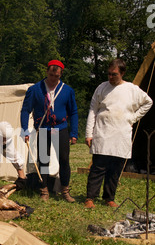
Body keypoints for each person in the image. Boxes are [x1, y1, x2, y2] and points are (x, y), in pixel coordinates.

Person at [85, 58, 153, 209]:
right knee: (98, 168)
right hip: (102, 133)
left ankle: (109, 198)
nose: (110, 77)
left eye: (114, 74)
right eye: (109, 74)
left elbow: (148, 102)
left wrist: (134, 117)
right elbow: (92, 110)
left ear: (122, 73)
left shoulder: (132, 90)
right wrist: (89, 133)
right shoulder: (101, 88)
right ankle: (90, 198)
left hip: (121, 135)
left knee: (115, 170)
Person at [20, 59, 78, 202]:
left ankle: (65, 190)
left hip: (61, 128)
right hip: (44, 128)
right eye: (51, 75)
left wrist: (74, 133)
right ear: (47, 72)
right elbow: (25, 110)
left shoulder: (67, 90)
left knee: (64, 160)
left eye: (56, 76)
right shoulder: (35, 89)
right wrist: (24, 130)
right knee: (43, 160)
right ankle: (44, 190)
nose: (53, 79)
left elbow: (73, 112)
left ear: (61, 74)